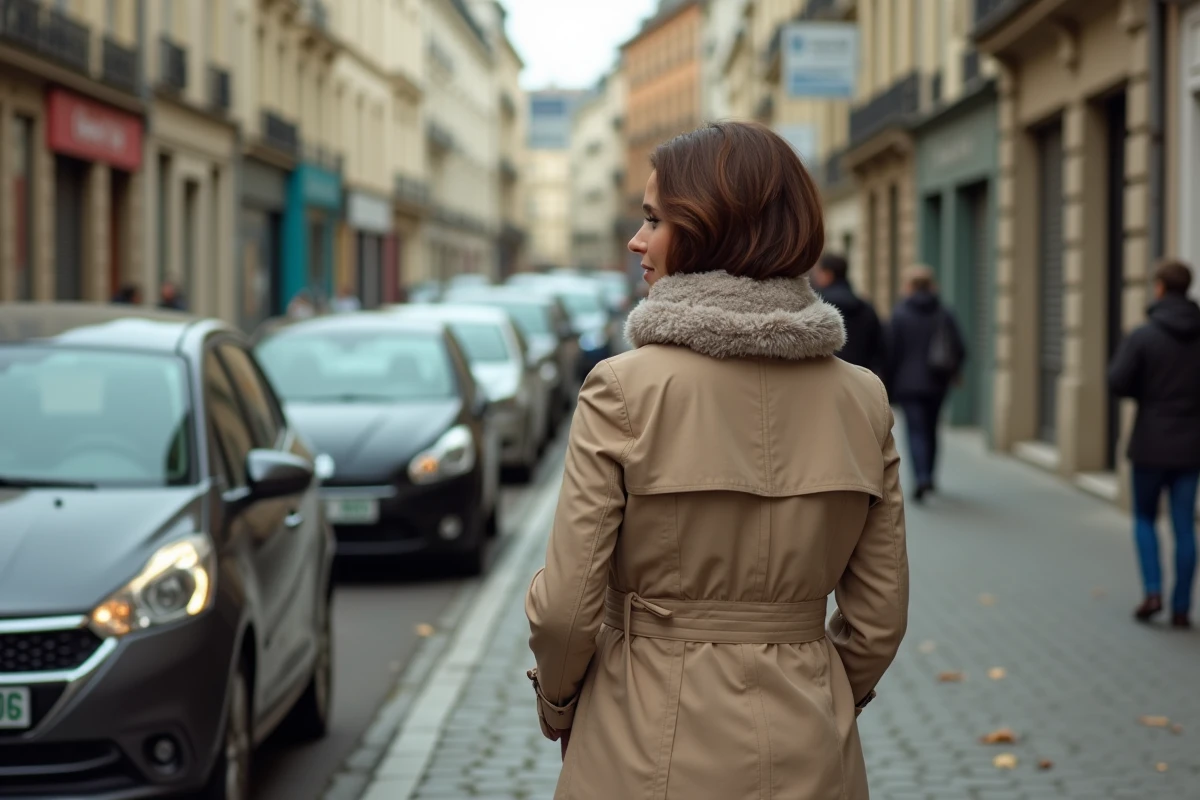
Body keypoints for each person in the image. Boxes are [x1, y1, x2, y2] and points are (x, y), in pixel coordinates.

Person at [525, 122, 908, 800]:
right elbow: (879, 618)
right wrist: (816, 695)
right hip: (810, 745)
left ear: (711, 228)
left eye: (653, 220)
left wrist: (560, 706)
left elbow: (564, 611)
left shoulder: (622, 388)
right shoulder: (864, 398)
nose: (635, 241)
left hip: (639, 737)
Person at [1108, 259, 1200, 628]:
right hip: (1191, 446)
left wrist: (1146, 390)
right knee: (1183, 524)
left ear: (1160, 288)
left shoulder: (1144, 335)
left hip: (1149, 442)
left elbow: (1117, 381)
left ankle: (1152, 592)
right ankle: (1181, 607)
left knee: (1145, 517)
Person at [885, 265, 966, 502]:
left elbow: (891, 352)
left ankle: (920, 477)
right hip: (937, 382)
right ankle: (929, 476)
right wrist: (953, 371)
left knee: (915, 431)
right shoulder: (944, 312)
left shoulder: (899, 314)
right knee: (931, 429)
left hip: (907, 384)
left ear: (909, 286)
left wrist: (888, 382)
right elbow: (960, 347)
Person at [812, 252, 886, 374]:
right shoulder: (866, 307)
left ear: (828, 275)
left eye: (819, 273)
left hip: (824, 376)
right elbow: (879, 349)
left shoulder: (817, 306)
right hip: (860, 376)